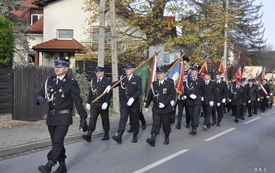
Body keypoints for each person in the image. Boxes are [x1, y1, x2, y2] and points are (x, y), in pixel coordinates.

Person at [36, 57, 88, 173]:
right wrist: (40, 98)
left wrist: (83, 117)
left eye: (60, 67)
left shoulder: (71, 82)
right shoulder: (49, 80)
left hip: (64, 116)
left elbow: (77, 101)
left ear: (66, 68)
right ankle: (62, 166)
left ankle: (50, 163)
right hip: (51, 117)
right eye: (56, 66)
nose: (57, 69)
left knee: (58, 141)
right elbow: (39, 94)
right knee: (56, 142)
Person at [111, 64, 142, 144]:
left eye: (129, 69)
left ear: (133, 70)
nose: (127, 71)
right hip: (124, 101)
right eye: (126, 69)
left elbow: (139, 90)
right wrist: (109, 86)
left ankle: (135, 134)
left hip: (134, 103)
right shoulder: (123, 78)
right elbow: (116, 83)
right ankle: (119, 136)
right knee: (123, 119)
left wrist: (133, 98)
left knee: (135, 119)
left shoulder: (137, 79)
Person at [145, 67, 176, 146]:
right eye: (158, 73)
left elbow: (171, 95)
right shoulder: (154, 84)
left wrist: (165, 103)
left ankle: (166, 137)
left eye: (161, 73)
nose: (159, 75)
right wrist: (147, 105)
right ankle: (153, 138)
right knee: (155, 123)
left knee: (166, 124)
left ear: (165, 74)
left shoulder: (169, 83)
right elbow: (150, 95)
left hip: (166, 108)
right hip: (156, 108)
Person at [82, 66, 112, 142]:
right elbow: (90, 92)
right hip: (95, 103)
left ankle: (106, 133)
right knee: (92, 119)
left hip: (102, 103)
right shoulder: (93, 80)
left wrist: (106, 102)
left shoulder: (107, 81)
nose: (97, 74)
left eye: (98, 73)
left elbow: (109, 93)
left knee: (104, 119)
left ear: (102, 72)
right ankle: (89, 134)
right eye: (96, 73)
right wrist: (88, 102)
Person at [184, 66, 204, 135]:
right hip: (190, 100)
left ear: (197, 72)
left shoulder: (201, 80)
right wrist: (190, 95)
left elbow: (202, 89)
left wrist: (201, 96)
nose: (193, 73)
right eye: (192, 71)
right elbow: (185, 90)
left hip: (197, 99)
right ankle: (194, 123)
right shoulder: (188, 80)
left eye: (194, 71)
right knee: (191, 114)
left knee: (196, 114)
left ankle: (194, 128)